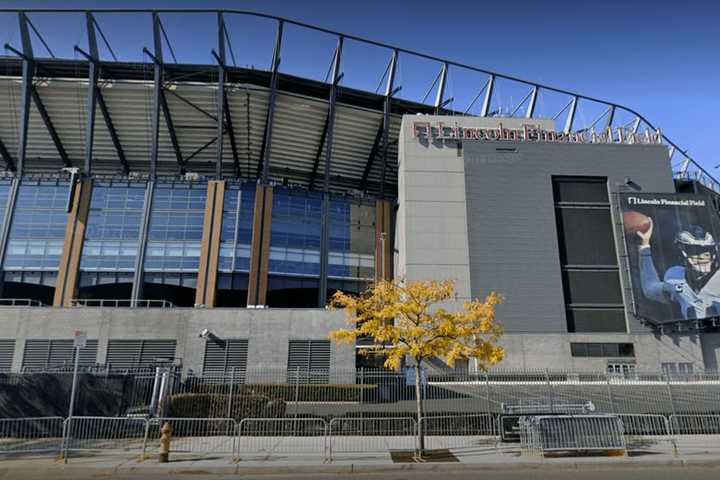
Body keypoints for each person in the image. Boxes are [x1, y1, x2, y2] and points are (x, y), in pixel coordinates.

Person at [637, 219, 720, 320]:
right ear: (681, 254)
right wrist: (645, 246)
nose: (702, 257)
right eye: (695, 251)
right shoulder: (675, 278)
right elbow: (649, 289)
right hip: (692, 334)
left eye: (706, 252)